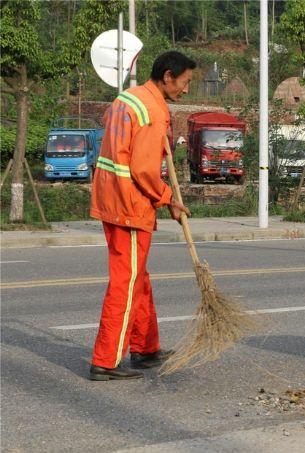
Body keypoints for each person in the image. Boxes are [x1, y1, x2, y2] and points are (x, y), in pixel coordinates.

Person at [88, 51, 196, 381]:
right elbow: (143, 168)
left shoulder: (129, 98)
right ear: (167, 76)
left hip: (113, 199)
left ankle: (146, 348)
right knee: (127, 281)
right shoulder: (152, 110)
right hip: (130, 206)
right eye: (185, 82)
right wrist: (168, 200)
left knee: (138, 277)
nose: (187, 90)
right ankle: (105, 360)